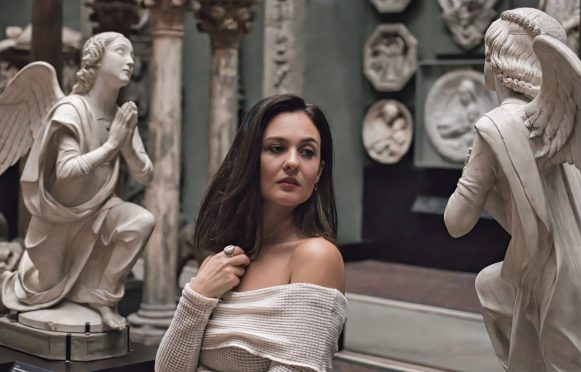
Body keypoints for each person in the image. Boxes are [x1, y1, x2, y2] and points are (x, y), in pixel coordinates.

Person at [443, 8, 581, 371]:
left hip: (556, 289)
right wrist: (492, 190)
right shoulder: (553, 123)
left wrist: (473, 176)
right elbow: (531, 227)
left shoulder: (496, 126)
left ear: (495, 62)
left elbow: (456, 222)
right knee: (491, 285)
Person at [155, 94, 346, 372]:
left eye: (307, 152)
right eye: (277, 148)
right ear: (249, 159)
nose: (293, 162)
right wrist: (197, 294)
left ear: (318, 172)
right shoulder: (224, 258)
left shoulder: (316, 257)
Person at [0, 32, 154, 330]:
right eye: (121, 52)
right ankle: (13, 279)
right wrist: (112, 146)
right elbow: (67, 170)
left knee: (141, 222)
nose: (130, 61)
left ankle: (101, 297)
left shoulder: (121, 115)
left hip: (101, 211)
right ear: (96, 60)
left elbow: (146, 175)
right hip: (58, 220)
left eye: (133, 55)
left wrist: (128, 148)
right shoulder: (71, 109)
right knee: (39, 288)